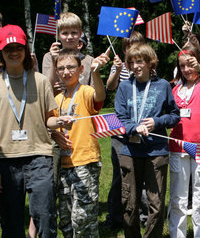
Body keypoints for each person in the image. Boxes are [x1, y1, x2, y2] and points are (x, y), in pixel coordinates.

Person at [0, 24, 69, 237]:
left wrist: (60, 121)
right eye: (8, 49)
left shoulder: (41, 81)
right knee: (11, 220)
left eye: (19, 48)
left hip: (39, 156)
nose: (14, 52)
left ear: (25, 51)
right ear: (0, 53)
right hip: (5, 159)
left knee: (45, 215)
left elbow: (48, 120)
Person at [115, 43, 180, 237]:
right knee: (129, 204)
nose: (136, 66)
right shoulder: (125, 86)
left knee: (156, 203)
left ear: (150, 62)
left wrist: (157, 122)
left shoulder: (163, 86)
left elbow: (175, 115)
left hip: (156, 153)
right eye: (132, 62)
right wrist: (134, 127)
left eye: (140, 61)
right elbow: (119, 118)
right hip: (130, 152)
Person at [52, 49, 108, 236]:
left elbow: (99, 98)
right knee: (66, 218)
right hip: (64, 164)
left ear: (80, 69)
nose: (66, 72)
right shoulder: (57, 99)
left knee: (83, 216)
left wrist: (95, 73)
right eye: (61, 68)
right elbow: (51, 126)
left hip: (85, 161)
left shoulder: (85, 91)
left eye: (70, 67)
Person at [169, 44, 200, 238]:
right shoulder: (175, 89)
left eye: (190, 65)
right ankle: (176, 234)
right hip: (177, 145)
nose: (187, 70)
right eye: (182, 66)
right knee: (177, 198)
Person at [103, 31, 145, 231]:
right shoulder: (119, 66)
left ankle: (143, 214)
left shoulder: (147, 67)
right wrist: (116, 71)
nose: (133, 49)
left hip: (141, 129)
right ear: (124, 48)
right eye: (129, 46)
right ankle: (115, 216)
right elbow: (109, 87)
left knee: (142, 175)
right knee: (120, 175)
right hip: (119, 130)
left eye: (137, 45)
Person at [42, 12, 94, 95]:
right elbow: (47, 88)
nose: (70, 37)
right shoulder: (48, 57)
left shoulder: (89, 61)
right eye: (65, 33)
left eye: (74, 33)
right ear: (58, 35)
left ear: (80, 33)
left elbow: (94, 93)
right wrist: (54, 60)